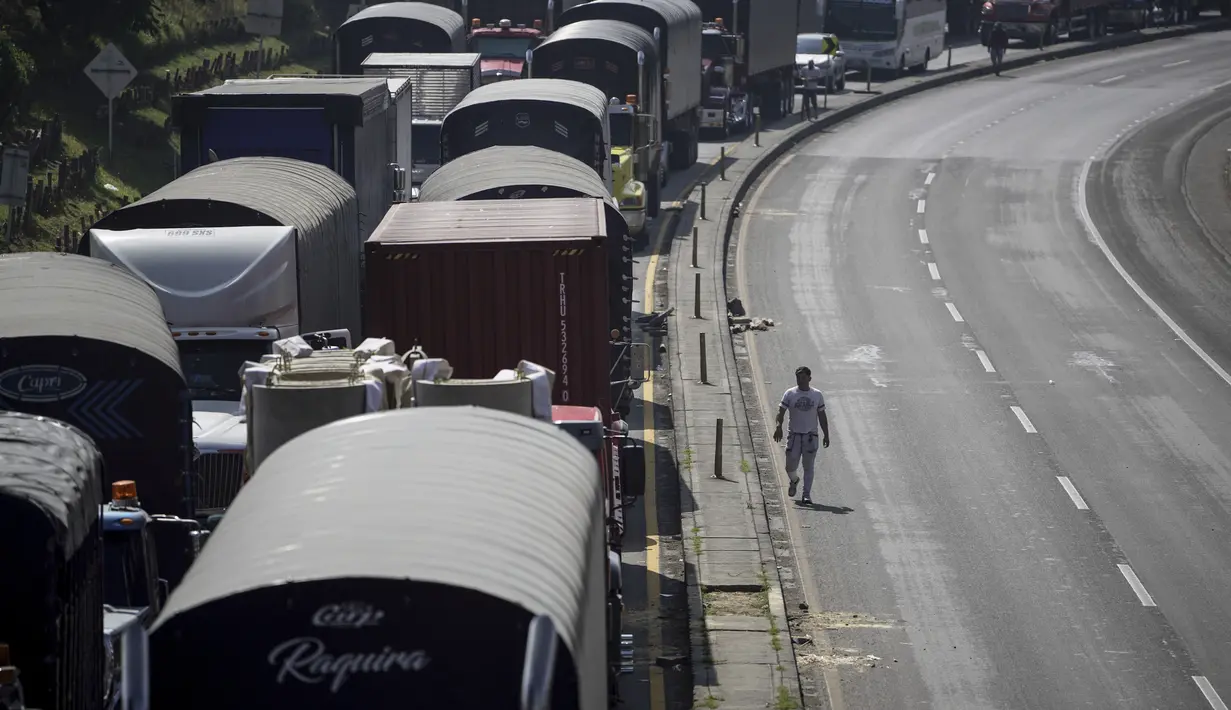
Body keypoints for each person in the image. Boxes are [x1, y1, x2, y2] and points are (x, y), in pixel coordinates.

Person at [772, 366, 830, 505]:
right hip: (794, 436)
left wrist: (826, 435)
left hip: (811, 436)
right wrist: (778, 426)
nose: (800, 380)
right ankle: (794, 480)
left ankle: (806, 495)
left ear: (809, 378)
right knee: (789, 467)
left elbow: (822, 416)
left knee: (808, 466)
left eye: (803, 377)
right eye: (798, 377)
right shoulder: (790, 394)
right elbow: (781, 412)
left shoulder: (817, 395)